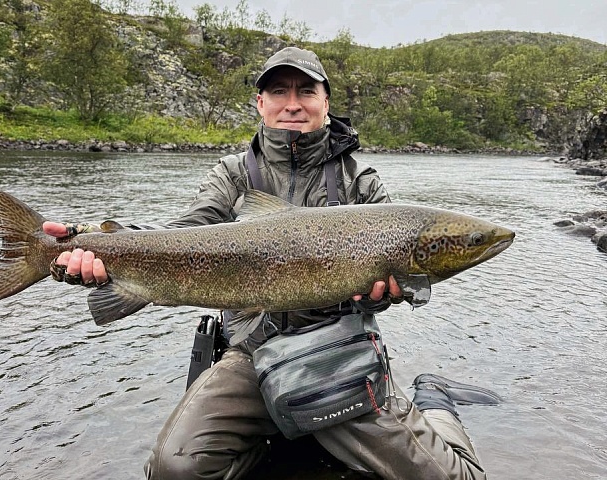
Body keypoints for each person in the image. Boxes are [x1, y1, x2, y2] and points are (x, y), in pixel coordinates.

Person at [44, 47, 501, 480]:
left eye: (306, 91)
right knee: (174, 469)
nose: (293, 103)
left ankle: (434, 400)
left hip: (337, 352)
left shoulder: (360, 182)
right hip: (251, 351)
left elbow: (387, 293)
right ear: (260, 103)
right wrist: (95, 244)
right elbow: (179, 237)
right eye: (279, 91)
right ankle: (271, 438)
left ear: (325, 102)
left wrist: (387, 296)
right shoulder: (233, 174)